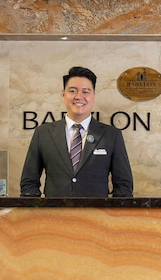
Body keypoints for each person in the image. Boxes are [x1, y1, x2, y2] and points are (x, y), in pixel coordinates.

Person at [20, 66, 134, 197]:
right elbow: (29, 182)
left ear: (93, 96)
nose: (79, 97)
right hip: (54, 210)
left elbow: (124, 186)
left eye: (85, 92)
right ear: (63, 95)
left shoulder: (111, 135)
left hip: (97, 210)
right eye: (73, 91)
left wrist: (112, 210)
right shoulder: (43, 134)